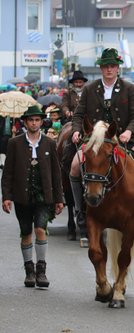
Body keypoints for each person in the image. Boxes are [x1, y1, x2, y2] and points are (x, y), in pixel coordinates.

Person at [69, 48, 134, 241]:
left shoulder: (128, 88)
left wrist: (129, 131)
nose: (109, 69)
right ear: (101, 68)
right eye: (106, 66)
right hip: (96, 141)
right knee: (74, 166)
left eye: (112, 66)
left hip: (123, 138)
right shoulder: (89, 88)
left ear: (117, 68)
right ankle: (80, 209)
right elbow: (79, 114)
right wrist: (77, 130)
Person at [1, 105, 64, 288]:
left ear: (41, 122)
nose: (34, 123)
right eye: (31, 120)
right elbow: (8, 173)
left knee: (40, 230)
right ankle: (29, 270)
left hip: (44, 196)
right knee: (26, 232)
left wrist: (59, 198)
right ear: (26, 122)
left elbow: (56, 173)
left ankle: (41, 271)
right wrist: (6, 197)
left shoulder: (50, 143)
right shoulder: (15, 143)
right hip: (22, 195)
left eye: (37, 120)